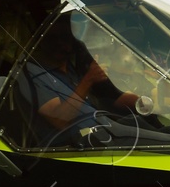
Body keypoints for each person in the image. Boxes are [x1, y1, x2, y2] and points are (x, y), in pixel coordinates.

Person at [16, 21, 146, 147]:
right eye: (52, 38)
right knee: (164, 142)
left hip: (104, 128)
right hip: (82, 141)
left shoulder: (69, 68)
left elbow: (96, 102)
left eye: (65, 37)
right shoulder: (36, 74)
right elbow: (60, 119)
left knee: (156, 128)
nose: (60, 43)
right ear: (41, 42)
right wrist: (88, 80)